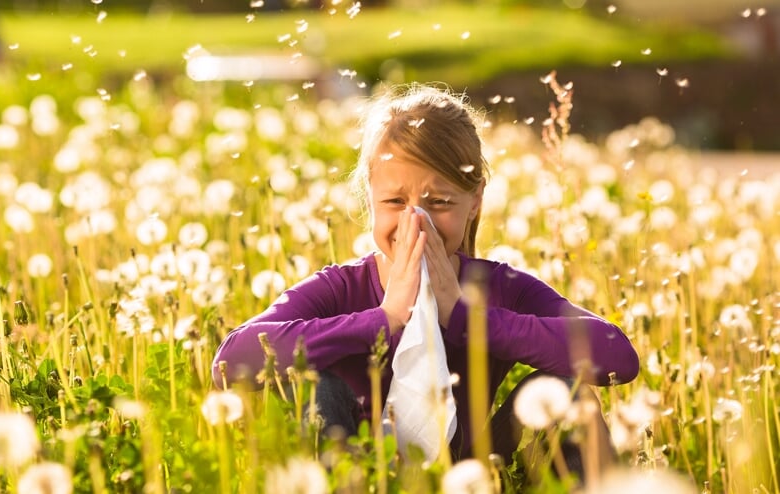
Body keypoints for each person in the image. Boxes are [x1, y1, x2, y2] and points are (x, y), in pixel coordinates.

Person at [212, 83, 639, 475]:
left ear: (475, 202)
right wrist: (385, 318)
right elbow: (230, 362)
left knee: (566, 393)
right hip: (357, 472)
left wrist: (467, 318)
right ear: (370, 198)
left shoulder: (499, 288)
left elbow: (618, 356)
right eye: (395, 201)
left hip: (474, 473)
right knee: (316, 387)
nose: (416, 221)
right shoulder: (342, 288)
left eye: (438, 202)